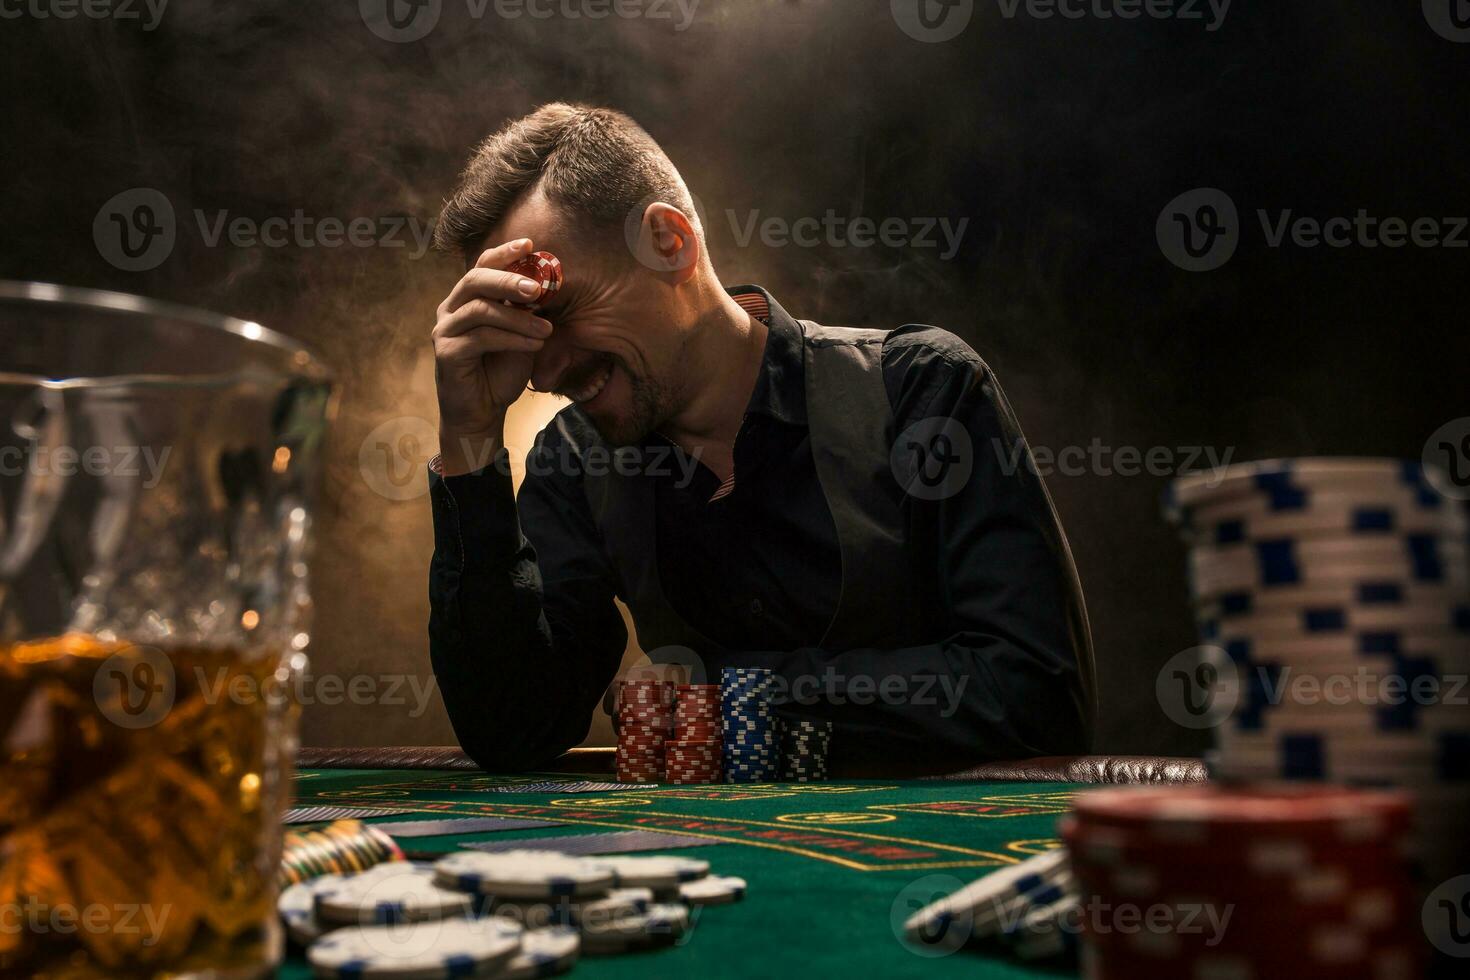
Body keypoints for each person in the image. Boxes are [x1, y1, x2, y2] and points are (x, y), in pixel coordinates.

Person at [427, 103, 1095, 774]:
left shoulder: (922, 392)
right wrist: (469, 441)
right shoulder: (574, 459)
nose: (542, 372)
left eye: (559, 311)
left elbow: (1037, 696)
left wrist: (730, 693)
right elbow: (515, 728)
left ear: (669, 243)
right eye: (520, 332)